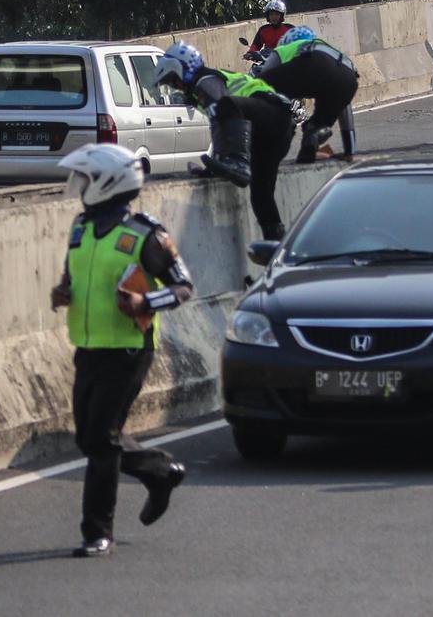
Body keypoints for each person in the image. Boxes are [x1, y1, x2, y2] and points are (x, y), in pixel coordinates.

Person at [50, 144, 194, 558]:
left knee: (101, 440)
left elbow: (184, 287)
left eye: (87, 180)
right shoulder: (81, 228)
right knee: (92, 437)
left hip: (130, 349)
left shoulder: (146, 235)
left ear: (109, 184)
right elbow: (75, 276)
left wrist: (145, 304)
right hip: (89, 346)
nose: (80, 188)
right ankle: (161, 471)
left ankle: (97, 532)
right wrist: (63, 293)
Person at [152, 41, 295, 241]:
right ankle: (276, 246)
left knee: (226, 105)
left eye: (174, 80)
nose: (176, 87)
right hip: (275, 129)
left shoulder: (206, 81)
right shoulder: (203, 88)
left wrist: (228, 159)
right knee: (261, 194)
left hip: (272, 114)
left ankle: (239, 161)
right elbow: (223, 125)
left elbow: (221, 120)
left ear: (184, 69)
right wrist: (216, 164)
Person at [258, 25, 359, 163]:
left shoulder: (284, 49)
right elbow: (345, 108)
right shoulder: (327, 48)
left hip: (311, 67)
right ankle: (311, 141)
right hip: (348, 76)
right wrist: (349, 150)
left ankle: (250, 150)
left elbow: (263, 83)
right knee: (318, 123)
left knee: (261, 87)